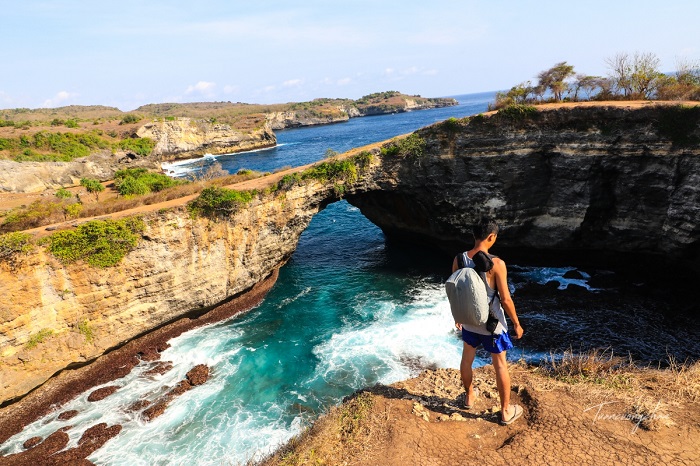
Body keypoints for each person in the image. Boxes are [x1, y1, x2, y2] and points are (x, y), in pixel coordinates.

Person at [452, 219, 524, 425]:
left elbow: (456, 291)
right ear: (491, 237)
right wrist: (517, 324)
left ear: (474, 235)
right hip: (492, 325)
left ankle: (469, 396)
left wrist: (458, 316)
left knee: (467, 360)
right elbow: (506, 299)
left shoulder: (459, 259)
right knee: (500, 365)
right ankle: (505, 411)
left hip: (468, 321)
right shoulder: (497, 264)